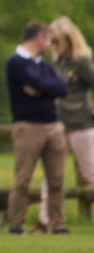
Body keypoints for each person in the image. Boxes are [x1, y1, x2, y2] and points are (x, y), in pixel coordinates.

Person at [5, 20, 68, 234]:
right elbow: (45, 85)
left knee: (57, 179)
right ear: (39, 38)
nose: (50, 44)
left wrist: (40, 90)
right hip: (28, 126)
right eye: (48, 40)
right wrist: (44, 88)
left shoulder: (44, 65)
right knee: (23, 178)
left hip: (53, 125)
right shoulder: (15, 63)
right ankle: (16, 223)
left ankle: (58, 223)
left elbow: (60, 89)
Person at [33, 16, 94, 232]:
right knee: (52, 174)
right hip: (60, 123)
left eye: (57, 41)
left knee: (90, 173)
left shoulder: (82, 62)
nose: (54, 46)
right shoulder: (57, 64)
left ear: (69, 39)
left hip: (82, 124)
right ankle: (45, 219)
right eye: (52, 42)